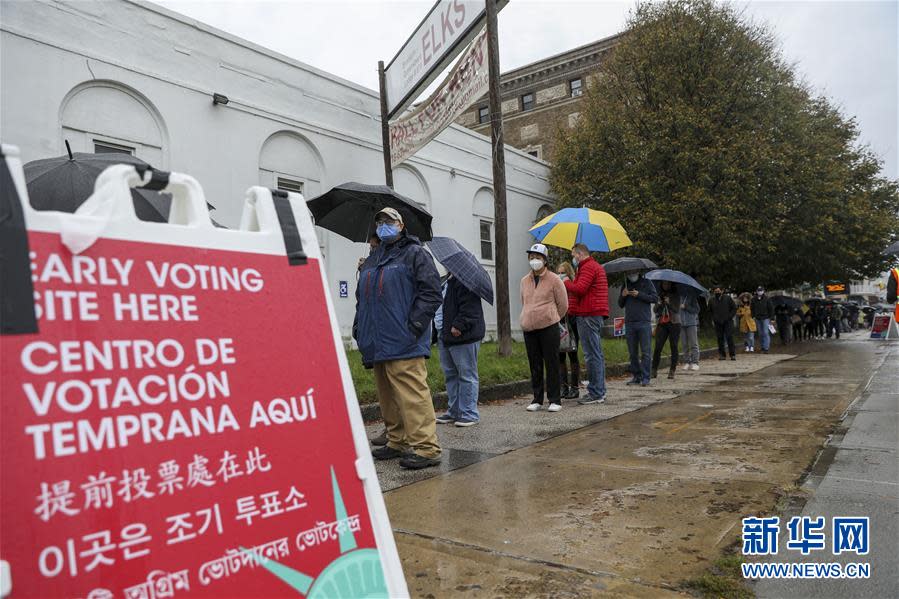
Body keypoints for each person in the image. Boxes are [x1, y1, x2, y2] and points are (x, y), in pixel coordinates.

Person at [354, 207, 443, 470]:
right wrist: (360, 328)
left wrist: (414, 326)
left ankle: (426, 447)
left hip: (404, 339)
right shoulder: (372, 258)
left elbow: (431, 292)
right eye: (379, 221)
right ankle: (397, 440)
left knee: (412, 394)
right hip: (377, 341)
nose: (384, 225)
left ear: (401, 225)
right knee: (387, 395)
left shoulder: (415, 254)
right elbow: (363, 300)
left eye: (389, 221)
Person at [433, 272, 486, 427]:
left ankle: (469, 413)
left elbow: (471, 308)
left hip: (462, 335)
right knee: (451, 375)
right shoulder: (446, 281)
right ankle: (454, 411)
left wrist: (459, 325)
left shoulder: (467, 280)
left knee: (466, 375)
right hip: (445, 334)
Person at [521, 244, 568, 412]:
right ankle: (537, 398)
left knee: (552, 362)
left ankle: (555, 399)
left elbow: (563, 304)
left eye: (538, 258)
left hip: (549, 326)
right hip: (529, 327)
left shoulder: (555, 279)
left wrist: (552, 317)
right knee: (534, 363)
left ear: (545, 260)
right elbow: (524, 302)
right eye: (532, 257)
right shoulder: (524, 281)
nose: (534, 261)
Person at [563, 243, 609, 405]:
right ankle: (600, 391)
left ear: (580, 253)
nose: (573, 258)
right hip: (592, 313)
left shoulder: (588, 267)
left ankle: (595, 393)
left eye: (573, 255)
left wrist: (566, 282)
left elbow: (580, 289)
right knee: (596, 354)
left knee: (592, 355)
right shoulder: (591, 267)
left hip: (588, 314)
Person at [620, 271, 658, 385]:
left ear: (638, 271)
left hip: (643, 322)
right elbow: (620, 304)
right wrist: (623, 295)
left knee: (646, 352)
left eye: (634, 271)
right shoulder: (625, 284)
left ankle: (646, 377)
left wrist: (639, 294)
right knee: (632, 353)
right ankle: (636, 376)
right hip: (630, 322)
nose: (631, 274)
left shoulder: (647, 282)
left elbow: (654, 298)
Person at [556, 261, 581, 399]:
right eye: (559, 273)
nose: (561, 276)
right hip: (558, 322)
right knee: (560, 356)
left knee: (572, 355)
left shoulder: (572, 285)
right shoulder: (556, 286)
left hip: (571, 322)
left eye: (563, 273)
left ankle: (575, 387)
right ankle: (563, 387)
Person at [651, 281, 681, 379]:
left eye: (668, 284)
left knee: (674, 346)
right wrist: (659, 303)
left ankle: (672, 370)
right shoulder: (659, 295)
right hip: (662, 323)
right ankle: (654, 369)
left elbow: (676, 309)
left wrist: (669, 303)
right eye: (664, 284)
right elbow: (655, 310)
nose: (666, 285)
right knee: (658, 346)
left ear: (671, 284)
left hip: (674, 323)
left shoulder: (676, 295)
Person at [709, 285, 737, 360]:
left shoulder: (728, 298)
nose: (717, 292)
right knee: (720, 338)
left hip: (727, 321)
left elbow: (734, 308)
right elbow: (710, 311)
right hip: (717, 322)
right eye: (715, 291)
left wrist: (729, 317)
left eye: (718, 291)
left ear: (722, 291)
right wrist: (713, 319)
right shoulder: (711, 300)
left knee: (729, 337)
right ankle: (722, 355)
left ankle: (732, 354)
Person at [680, 290, 701, 371]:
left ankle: (695, 362)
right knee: (684, 344)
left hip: (691, 323)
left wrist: (686, 307)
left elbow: (697, 310)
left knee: (693, 343)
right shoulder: (678, 297)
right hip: (681, 324)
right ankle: (687, 362)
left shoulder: (692, 297)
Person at [750, 286, 774, 353]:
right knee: (760, 334)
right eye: (758, 290)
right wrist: (753, 316)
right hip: (757, 318)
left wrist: (772, 318)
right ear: (756, 291)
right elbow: (752, 308)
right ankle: (763, 347)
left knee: (765, 333)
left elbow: (771, 309)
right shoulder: (753, 299)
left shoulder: (767, 299)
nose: (759, 292)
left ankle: (766, 348)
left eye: (761, 290)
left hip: (766, 318)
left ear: (763, 291)